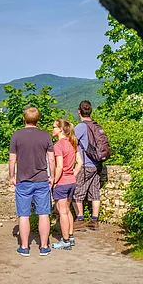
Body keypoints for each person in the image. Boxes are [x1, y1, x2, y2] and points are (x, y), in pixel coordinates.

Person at [9, 107, 55, 257]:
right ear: (38, 119)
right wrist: (52, 176)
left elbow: (12, 159)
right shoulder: (45, 135)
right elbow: (51, 158)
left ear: (24, 119)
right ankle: (43, 247)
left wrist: (11, 176)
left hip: (23, 180)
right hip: (41, 179)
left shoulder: (16, 135)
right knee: (43, 214)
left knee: (24, 215)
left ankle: (24, 247)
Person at [51, 119, 83, 250]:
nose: (52, 129)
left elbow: (59, 167)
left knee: (62, 212)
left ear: (60, 129)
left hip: (62, 182)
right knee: (68, 210)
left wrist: (54, 181)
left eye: (54, 127)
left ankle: (65, 241)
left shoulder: (58, 146)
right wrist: (73, 175)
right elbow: (80, 163)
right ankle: (70, 236)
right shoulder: (72, 143)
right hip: (71, 182)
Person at [73, 100, 102, 230]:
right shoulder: (96, 125)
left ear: (79, 112)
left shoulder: (80, 127)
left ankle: (79, 219)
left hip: (85, 164)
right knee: (95, 192)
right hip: (97, 163)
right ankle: (94, 220)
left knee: (76, 193)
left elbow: (70, 142)